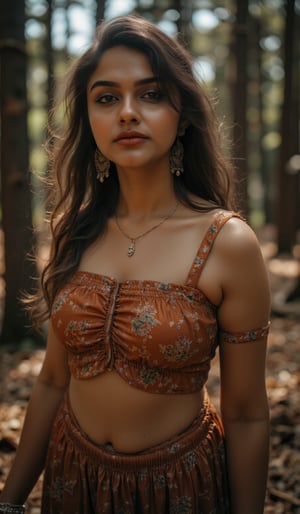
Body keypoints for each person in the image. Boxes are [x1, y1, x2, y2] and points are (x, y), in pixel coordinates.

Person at [0, 14, 271, 514]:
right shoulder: (77, 231)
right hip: (71, 479)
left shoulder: (227, 243)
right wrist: (11, 502)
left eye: (150, 94)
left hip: (180, 488)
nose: (127, 112)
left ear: (182, 114)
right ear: (90, 120)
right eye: (106, 98)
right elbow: (53, 381)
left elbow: (249, 413)